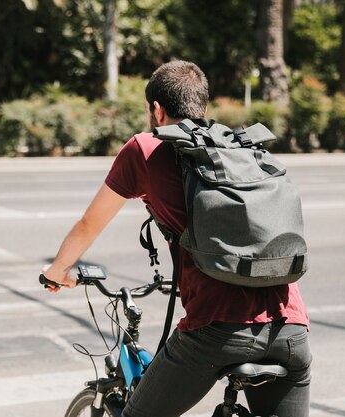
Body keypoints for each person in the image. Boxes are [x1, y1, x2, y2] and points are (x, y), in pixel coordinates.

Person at [41, 60, 312, 417]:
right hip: (291, 329)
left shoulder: (145, 149)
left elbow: (90, 222)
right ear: (202, 105)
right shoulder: (239, 148)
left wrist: (58, 271)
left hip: (216, 330)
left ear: (156, 109)